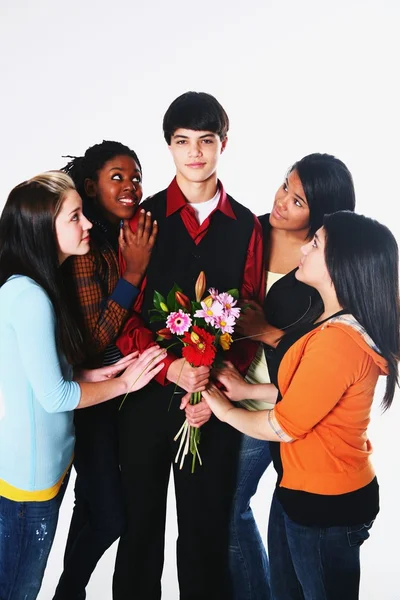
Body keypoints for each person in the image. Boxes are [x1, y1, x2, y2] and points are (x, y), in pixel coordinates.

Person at [113, 91, 265, 600]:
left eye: (206, 140)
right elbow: (127, 317)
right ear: (169, 147)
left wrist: (215, 381)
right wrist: (171, 369)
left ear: (224, 143)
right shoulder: (143, 219)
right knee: (139, 536)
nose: (195, 152)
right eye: (182, 141)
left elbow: (247, 312)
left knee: (204, 539)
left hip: (211, 408)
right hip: (146, 399)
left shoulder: (246, 225)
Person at [202, 210, 399, 599]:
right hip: (308, 492)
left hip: (327, 504)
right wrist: (247, 392)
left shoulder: (337, 342)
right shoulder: (335, 324)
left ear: (340, 265)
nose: (305, 247)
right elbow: (312, 397)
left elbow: (285, 426)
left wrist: (225, 411)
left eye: (316, 243)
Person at [0, 172, 166, 600]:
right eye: (75, 217)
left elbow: (35, 374)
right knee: (18, 588)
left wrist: (92, 375)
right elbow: (55, 398)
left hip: (41, 476)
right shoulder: (30, 296)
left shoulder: (36, 287)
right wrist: (127, 382)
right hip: (28, 484)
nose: (87, 223)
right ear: (43, 229)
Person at [227, 153, 356, 599]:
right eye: (285, 185)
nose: (282, 200)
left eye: (298, 200)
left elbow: (326, 353)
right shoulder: (248, 230)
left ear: (320, 216)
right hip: (243, 396)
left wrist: (266, 332)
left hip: (291, 409)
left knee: (291, 521)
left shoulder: (333, 267)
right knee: (231, 510)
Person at [53, 141, 158, 600]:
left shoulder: (128, 234)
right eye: (117, 177)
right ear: (92, 185)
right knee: (111, 516)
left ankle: (68, 593)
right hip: (91, 398)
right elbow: (94, 340)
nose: (130, 186)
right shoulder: (84, 245)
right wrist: (133, 275)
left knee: (91, 506)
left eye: (136, 177)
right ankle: (66, 591)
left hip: (125, 393)